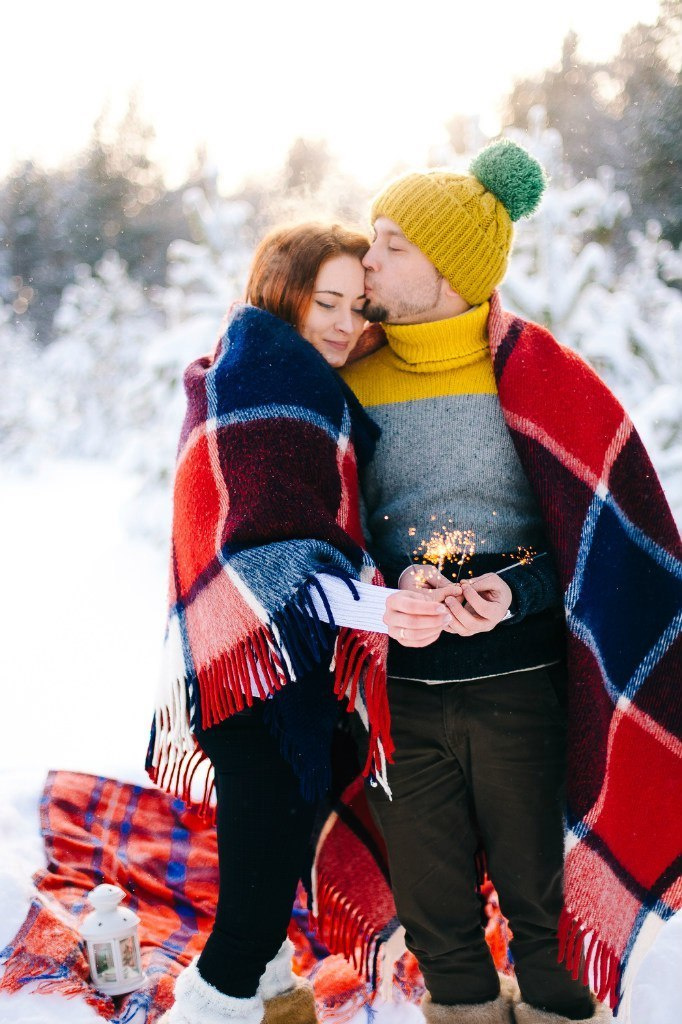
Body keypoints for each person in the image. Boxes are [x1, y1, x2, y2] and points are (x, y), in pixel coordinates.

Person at [332, 140, 681, 1024]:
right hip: (398, 693)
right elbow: (325, 531)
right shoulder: (347, 383)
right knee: (432, 907)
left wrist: (514, 591)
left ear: (449, 269)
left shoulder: (541, 377)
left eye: (392, 244)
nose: (368, 258)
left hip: (522, 687)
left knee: (544, 902)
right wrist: (392, 581)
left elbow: (595, 543)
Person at [148, 222, 438, 1024]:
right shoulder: (268, 387)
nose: (345, 324)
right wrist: (384, 608)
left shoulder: (265, 371)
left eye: (358, 306)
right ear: (285, 295)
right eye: (326, 302)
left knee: (270, 868)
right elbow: (276, 564)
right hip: (255, 683)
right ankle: (211, 1008)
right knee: (245, 918)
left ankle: (276, 994)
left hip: (268, 670)